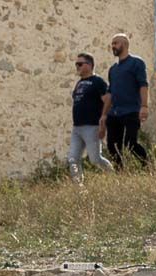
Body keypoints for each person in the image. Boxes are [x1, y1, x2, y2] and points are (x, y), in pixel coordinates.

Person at [105, 33, 150, 168]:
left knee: (130, 144)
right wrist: (103, 115)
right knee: (113, 146)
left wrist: (144, 106)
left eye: (116, 43)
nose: (113, 46)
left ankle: (148, 167)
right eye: (112, 44)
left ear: (124, 45)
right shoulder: (113, 69)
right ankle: (121, 173)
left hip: (131, 110)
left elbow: (143, 84)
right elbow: (110, 93)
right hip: (114, 113)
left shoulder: (136, 63)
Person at [69, 52, 114, 182]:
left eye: (80, 64)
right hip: (77, 128)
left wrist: (103, 122)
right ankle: (80, 190)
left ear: (89, 65)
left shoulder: (98, 82)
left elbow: (107, 100)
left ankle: (114, 177)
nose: (77, 66)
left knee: (95, 159)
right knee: (72, 158)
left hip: (92, 126)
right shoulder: (79, 83)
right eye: (76, 64)